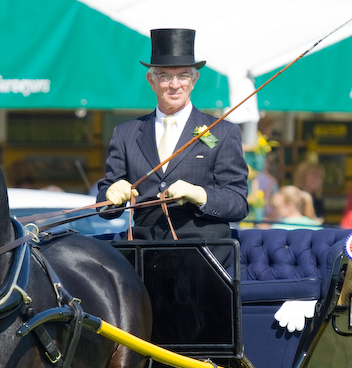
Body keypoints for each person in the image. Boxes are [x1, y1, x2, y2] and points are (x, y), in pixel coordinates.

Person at [96, 28, 248, 253]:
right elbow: (106, 206)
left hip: (203, 252)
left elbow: (238, 203)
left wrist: (200, 195)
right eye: (165, 76)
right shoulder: (125, 133)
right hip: (143, 253)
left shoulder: (223, 132)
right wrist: (110, 195)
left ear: (194, 79)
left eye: (183, 75)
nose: (175, 84)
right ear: (151, 80)